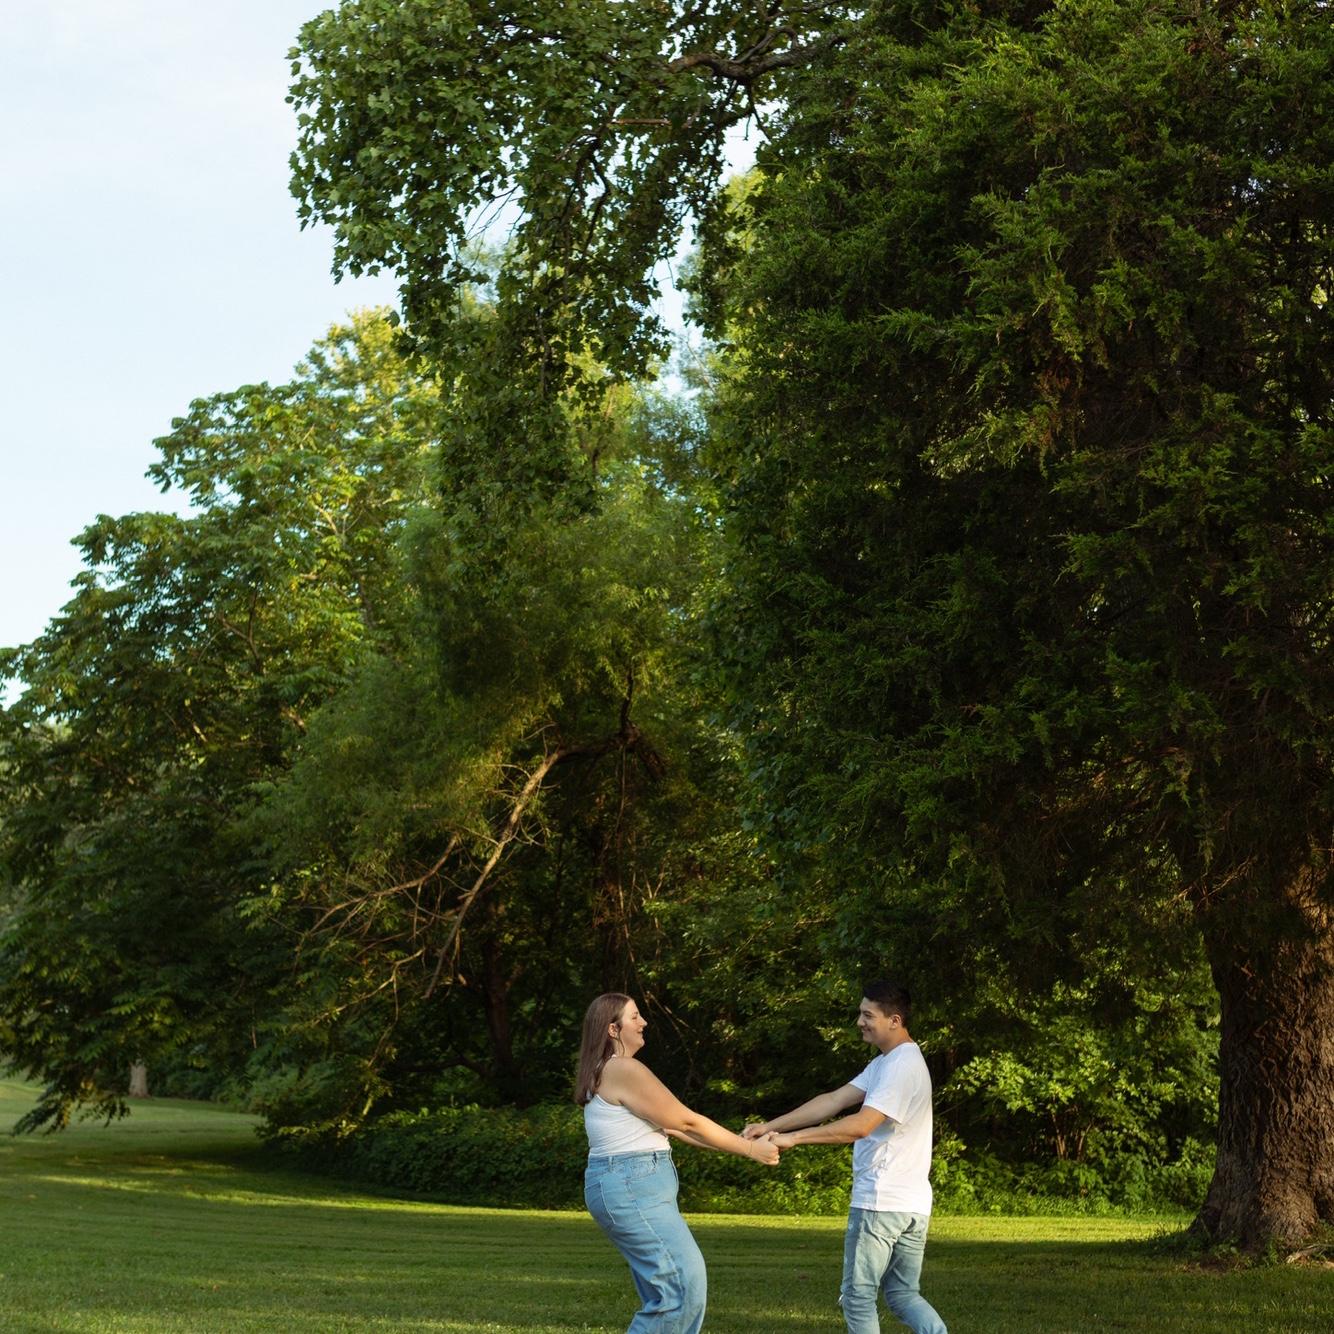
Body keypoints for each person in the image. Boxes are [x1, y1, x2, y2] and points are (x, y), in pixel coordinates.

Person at [744, 980, 947, 1334]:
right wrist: (770, 1126)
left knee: (857, 1296)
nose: (859, 1022)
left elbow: (861, 1126)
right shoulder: (889, 1063)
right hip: (910, 1203)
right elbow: (834, 1100)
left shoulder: (900, 1067)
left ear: (894, 1021)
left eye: (868, 1015)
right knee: (903, 1294)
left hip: (880, 1202)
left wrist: (795, 1138)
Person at [576, 992, 780, 1333]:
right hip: (631, 1186)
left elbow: (675, 1128)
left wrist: (741, 1143)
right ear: (613, 1029)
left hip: (627, 1186)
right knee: (682, 1291)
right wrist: (750, 1150)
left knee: (667, 1294)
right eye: (635, 1016)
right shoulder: (623, 1068)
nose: (644, 1022)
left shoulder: (605, 1070)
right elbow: (686, 1121)